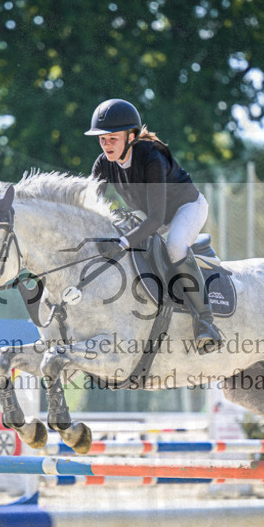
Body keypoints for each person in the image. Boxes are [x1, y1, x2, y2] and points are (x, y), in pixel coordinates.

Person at [85, 98, 222, 354]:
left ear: (131, 136)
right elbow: (89, 205)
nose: (106, 145)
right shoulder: (102, 164)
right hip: (150, 214)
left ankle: (206, 321)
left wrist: (124, 242)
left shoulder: (151, 156)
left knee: (175, 248)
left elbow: (157, 220)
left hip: (186, 207)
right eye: (102, 139)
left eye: (112, 138)